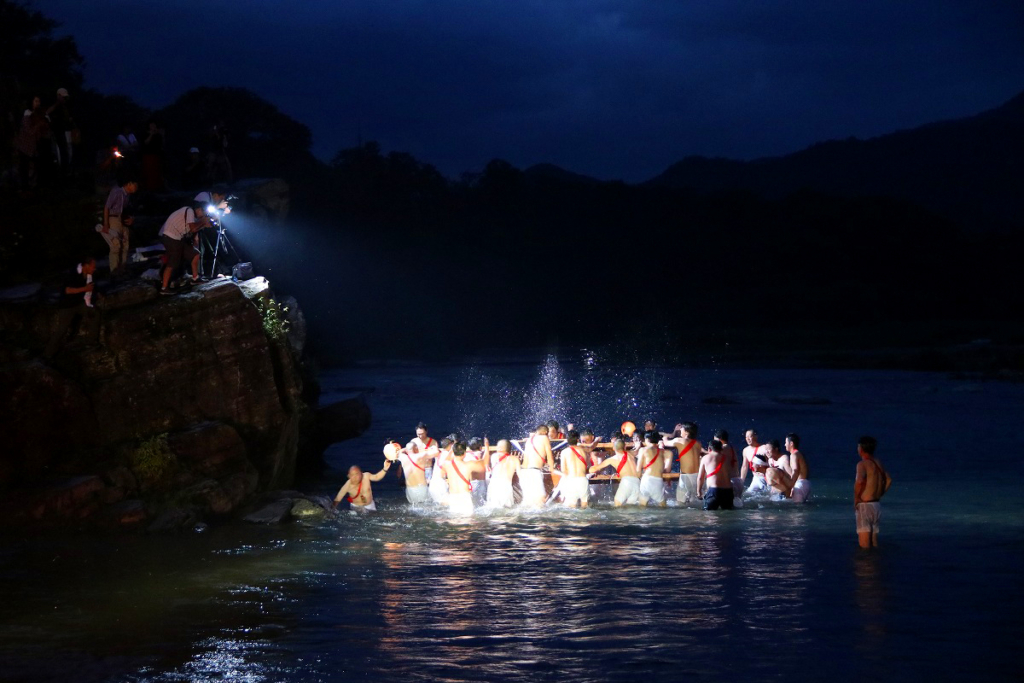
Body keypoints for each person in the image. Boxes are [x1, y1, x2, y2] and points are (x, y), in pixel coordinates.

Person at [44, 258, 98, 358]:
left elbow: (92, 287)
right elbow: (68, 290)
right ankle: (48, 354)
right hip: (67, 306)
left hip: (80, 303)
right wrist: (84, 289)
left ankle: (91, 341)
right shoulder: (73, 274)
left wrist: (99, 293)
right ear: (86, 265)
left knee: (93, 314)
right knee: (62, 330)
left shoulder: (89, 275)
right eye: (93, 267)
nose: (94, 269)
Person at [158, 204, 207, 294]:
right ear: (199, 209)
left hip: (178, 239)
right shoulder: (189, 211)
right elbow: (192, 228)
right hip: (170, 237)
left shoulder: (192, 217)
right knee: (172, 263)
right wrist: (203, 222)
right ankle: (164, 288)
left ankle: (195, 278)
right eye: (204, 212)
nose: (204, 215)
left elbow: (192, 229)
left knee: (194, 254)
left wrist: (203, 224)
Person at [854, 436, 892, 548]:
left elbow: (860, 481)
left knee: (864, 546)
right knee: (874, 543)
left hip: (865, 505)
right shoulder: (878, 462)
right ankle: (876, 564)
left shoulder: (862, 464)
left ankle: (866, 565)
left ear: (861, 448)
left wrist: (856, 498)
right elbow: (889, 480)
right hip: (876, 505)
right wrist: (880, 493)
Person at [100, 178, 138, 276]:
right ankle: (114, 270)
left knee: (125, 244)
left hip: (122, 219)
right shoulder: (117, 191)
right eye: (135, 185)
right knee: (115, 245)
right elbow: (107, 207)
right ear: (129, 183)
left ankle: (122, 268)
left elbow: (129, 209)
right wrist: (106, 223)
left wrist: (132, 218)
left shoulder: (128, 196)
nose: (136, 188)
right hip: (113, 218)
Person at [590, 438, 639, 506]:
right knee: (631, 507)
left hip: (627, 482)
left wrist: (587, 469)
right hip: (637, 482)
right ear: (624, 447)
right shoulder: (631, 454)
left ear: (613, 448)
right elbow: (636, 451)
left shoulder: (612, 459)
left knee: (617, 503)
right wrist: (638, 445)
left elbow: (595, 469)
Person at [662, 422, 702, 504]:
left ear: (687, 432)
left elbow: (666, 443)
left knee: (680, 502)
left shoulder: (680, 440)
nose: (680, 430)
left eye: (682, 428)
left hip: (685, 476)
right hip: (697, 476)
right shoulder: (698, 443)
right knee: (693, 502)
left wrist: (665, 436)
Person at [443, 442, 485, 515]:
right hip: (464, 497)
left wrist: (452, 450)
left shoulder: (446, 464)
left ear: (453, 452)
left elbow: (447, 459)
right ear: (464, 453)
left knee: (455, 522)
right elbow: (483, 467)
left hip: (453, 497)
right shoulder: (468, 465)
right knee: (468, 522)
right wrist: (486, 449)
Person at [520, 424, 555, 507]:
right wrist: (552, 469)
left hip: (524, 473)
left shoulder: (529, 440)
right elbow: (549, 456)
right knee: (540, 503)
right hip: (534, 472)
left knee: (528, 504)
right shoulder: (544, 438)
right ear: (546, 432)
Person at [698, 439, 734, 510]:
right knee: (728, 516)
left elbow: (700, 477)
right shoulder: (727, 458)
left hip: (714, 491)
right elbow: (731, 473)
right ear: (721, 448)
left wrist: (699, 491)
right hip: (728, 490)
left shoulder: (705, 458)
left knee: (710, 516)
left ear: (709, 449)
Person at [46, 88, 76, 176]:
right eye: (63, 97)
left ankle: (64, 171)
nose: (64, 99)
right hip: (56, 132)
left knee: (65, 152)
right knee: (58, 152)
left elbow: (68, 119)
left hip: (63, 132)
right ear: (58, 96)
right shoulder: (55, 105)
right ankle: (61, 171)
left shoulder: (64, 106)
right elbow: (47, 113)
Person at [559, 430, 591, 508]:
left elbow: (564, 470)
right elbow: (587, 466)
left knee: (572, 508)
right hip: (583, 480)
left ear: (567, 440)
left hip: (571, 480)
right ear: (578, 440)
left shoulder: (564, 452)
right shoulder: (584, 451)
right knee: (585, 506)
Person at [394, 440, 430, 505]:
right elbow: (436, 452)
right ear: (415, 449)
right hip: (421, 488)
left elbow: (398, 453)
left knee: (413, 507)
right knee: (425, 507)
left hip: (410, 490)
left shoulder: (402, 458)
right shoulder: (420, 456)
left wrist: (405, 449)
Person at [486, 439, 519, 508]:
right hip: (505, 487)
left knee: (494, 508)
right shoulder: (514, 459)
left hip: (493, 486)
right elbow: (520, 475)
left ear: (500, 447)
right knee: (507, 510)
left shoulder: (494, 456)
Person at [637, 431, 667, 507]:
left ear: (646, 439)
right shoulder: (663, 452)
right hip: (658, 480)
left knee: (642, 506)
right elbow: (667, 469)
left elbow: (638, 468)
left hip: (646, 479)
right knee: (663, 506)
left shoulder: (643, 450)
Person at [716, 429, 744, 508]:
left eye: (715, 441)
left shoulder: (724, 448)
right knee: (735, 506)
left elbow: (712, 455)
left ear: (719, 439)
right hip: (737, 481)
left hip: (731, 482)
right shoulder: (731, 447)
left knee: (727, 507)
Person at [784, 433, 812, 502]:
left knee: (797, 510)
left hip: (800, 484)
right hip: (807, 483)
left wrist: (791, 486)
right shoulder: (800, 454)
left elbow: (795, 470)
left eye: (786, 442)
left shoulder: (794, 455)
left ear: (791, 444)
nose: (784, 445)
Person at [428, 436, 455, 505]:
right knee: (448, 506)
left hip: (432, 484)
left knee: (439, 507)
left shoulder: (439, 454)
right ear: (450, 445)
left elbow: (434, 448)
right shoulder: (449, 455)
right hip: (440, 485)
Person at [141, 120, 166, 191]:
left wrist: (162, 135)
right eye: (151, 125)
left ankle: (158, 187)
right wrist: (151, 134)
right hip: (148, 155)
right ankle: (149, 188)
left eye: (154, 125)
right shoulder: (145, 133)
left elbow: (162, 144)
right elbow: (145, 143)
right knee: (149, 172)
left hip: (157, 155)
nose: (153, 126)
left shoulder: (158, 134)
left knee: (157, 171)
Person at [740, 429, 767, 494]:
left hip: (765, 478)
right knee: (747, 494)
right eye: (746, 437)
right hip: (755, 478)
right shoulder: (745, 450)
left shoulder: (764, 448)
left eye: (750, 436)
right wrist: (741, 482)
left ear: (755, 437)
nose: (748, 439)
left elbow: (772, 463)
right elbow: (744, 467)